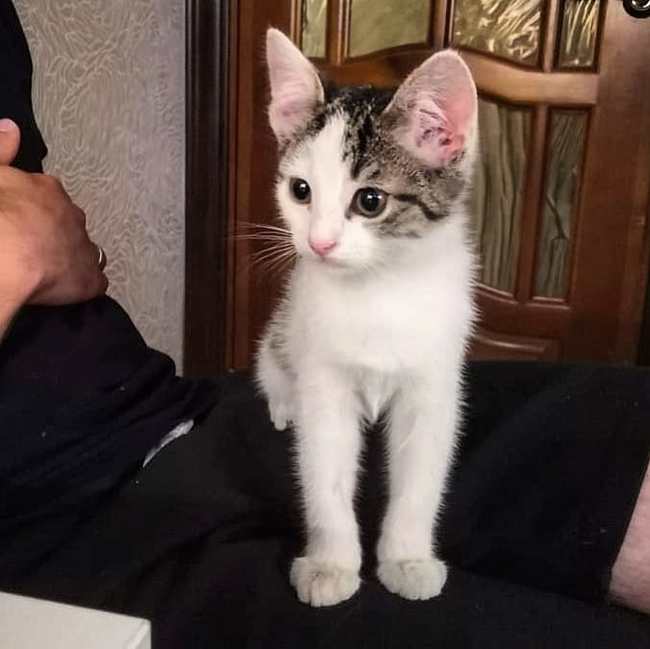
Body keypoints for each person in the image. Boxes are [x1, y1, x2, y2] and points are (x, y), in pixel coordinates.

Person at [1, 3, 649, 647]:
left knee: (613, 419)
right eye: (303, 194)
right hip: (59, 518)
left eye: (367, 200)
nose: (319, 238)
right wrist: (17, 259)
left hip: (164, 412)